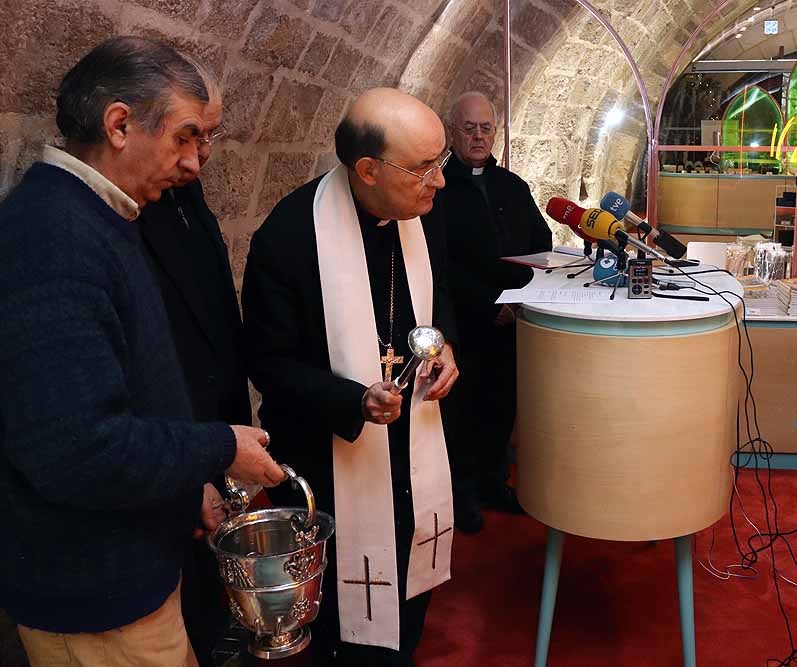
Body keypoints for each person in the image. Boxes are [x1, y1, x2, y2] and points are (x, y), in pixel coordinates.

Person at [0, 36, 284, 667]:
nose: (195, 162)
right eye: (184, 136)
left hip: (128, 570)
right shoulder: (53, 237)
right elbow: (77, 450)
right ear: (121, 124)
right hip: (96, 594)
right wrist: (219, 449)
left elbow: (135, 389)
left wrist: (189, 488)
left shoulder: (101, 216)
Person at [242, 88, 459, 667]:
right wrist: (354, 400)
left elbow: (440, 303)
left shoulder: (422, 216)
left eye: (442, 161)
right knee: (347, 619)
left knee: (408, 582)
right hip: (330, 459)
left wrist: (445, 348)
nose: (440, 180)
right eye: (424, 168)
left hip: (412, 446)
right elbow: (268, 363)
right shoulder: (288, 239)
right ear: (367, 170)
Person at [136, 72, 248, 665]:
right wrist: (196, 465)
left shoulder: (185, 194)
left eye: (210, 137)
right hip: (176, 432)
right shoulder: (126, 213)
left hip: (212, 415)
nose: (199, 158)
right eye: (188, 136)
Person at [435, 91, 552, 533]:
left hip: (514, 322)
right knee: (465, 411)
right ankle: (462, 489)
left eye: (486, 128)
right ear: (453, 131)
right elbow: (438, 264)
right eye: (470, 128)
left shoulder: (514, 187)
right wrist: (490, 305)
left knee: (504, 406)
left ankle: (493, 481)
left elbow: (540, 246)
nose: (479, 136)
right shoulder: (440, 189)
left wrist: (522, 298)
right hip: (467, 324)